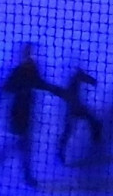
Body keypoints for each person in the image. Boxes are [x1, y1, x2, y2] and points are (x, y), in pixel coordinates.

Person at [2, 44, 63, 187]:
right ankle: (28, 176)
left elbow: (40, 84)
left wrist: (59, 91)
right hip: (19, 114)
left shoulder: (30, 70)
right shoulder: (21, 71)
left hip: (25, 114)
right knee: (22, 145)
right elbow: (7, 88)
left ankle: (28, 176)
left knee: (21, 145)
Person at [57, 68, 102, 166]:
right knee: (69, 130)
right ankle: (96, 142)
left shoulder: (74, 81)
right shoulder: (75, 81)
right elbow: (84, 78)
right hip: (74, 109)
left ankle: (96, 141)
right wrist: (92, 81)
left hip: (75, 108)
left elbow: (85, 78)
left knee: (91, 121)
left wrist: (91, 81)